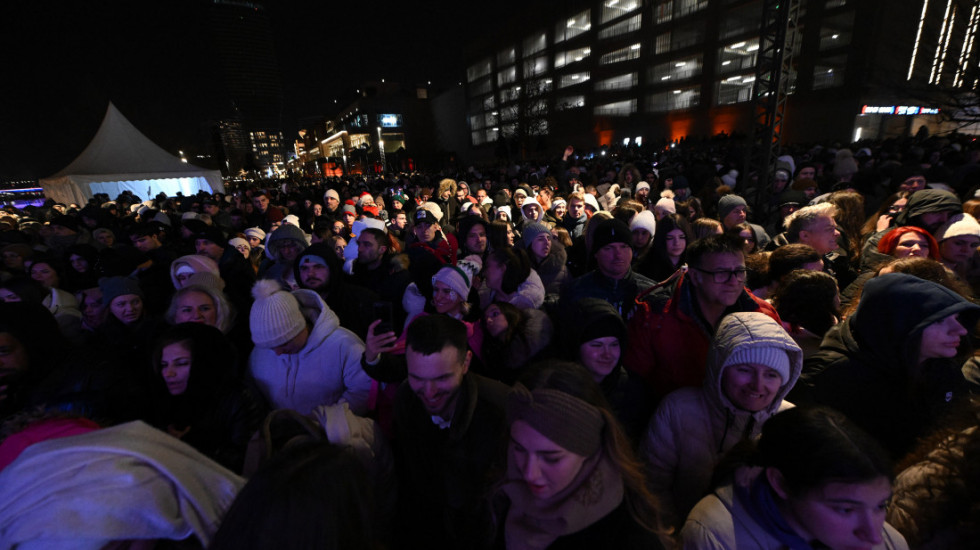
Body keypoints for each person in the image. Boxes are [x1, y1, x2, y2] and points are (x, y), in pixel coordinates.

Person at [792, 273, 980, 459]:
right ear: (898, 324)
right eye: (939, 320)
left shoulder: (941, 366)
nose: (961, 330)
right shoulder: (828, 379)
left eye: (956, 318)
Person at [642, 312, 802, 528]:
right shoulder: (679, 409)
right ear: (720, 368)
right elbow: (651, 484)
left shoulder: (790, 422)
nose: (757, 385)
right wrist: (672, 537)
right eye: (745, 370)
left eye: (771, 374)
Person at [492, 361, 668, 549]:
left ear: (589, 449)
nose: (529, 473)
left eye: (551, 458)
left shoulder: (629, 536)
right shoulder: (507, 484)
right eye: (519, 449)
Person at [681, 406, 909, 550]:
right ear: (780, 484)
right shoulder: (714, 537)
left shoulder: (892, 543)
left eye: (881, 506)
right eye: (845, 510)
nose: (873, 535)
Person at [393, 314, 509, 549]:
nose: (430, 392)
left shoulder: (501, 410)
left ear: (466, 363)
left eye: (442, 378)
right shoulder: (406, 398)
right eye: (417, 378)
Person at [626, 234, 780, 398]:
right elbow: (636, 382)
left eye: (740, 271)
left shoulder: (763, 315)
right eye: (721, 273)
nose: (733, 281)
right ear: (695, 276)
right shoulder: (655, 316)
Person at [148, 323, 263, 473]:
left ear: (205, 364)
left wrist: (192, 445)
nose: (168, 374)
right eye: (164, 365)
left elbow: (244, 460)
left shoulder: (239, 399)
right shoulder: (166, 399)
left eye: (181, 363)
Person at [247, 280, 372, 415]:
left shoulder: (345, 345)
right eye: (271, 347)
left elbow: (363, 390)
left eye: (284, 343)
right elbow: (253, 394)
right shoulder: (258, 353)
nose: (278, 353)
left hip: (333, 433)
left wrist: (327, 422)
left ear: (301, 326)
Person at [564, 298, 652, 442]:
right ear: (576, 347)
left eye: (614, 344)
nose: (607, 354)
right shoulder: (560, 387)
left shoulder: (632, 391)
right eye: (597, 345)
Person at [561, 218, 655, 319]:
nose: (618, 254)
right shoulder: (576, 292)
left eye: (623, 247)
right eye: (609, 248)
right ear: (596, 253)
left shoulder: (651, 292)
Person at [481, 247, 546, 311]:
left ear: (502, 268)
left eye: (487, 266)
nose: (483, 273)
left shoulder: (526, 309)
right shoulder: (487, 300)